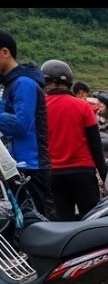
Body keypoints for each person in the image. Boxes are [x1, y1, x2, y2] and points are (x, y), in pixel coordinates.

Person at [40, 59, 108, 221]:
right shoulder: (83, 107)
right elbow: (95, 144)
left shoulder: (40, 107)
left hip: (53, 174)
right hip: (82, 173)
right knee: (91, 220)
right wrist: (105, 174)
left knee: (63, 222)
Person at [0, 29, 55, 219]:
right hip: (17, 167)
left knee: (38, 222)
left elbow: (21, 125)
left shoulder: (24, 83)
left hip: (31, 167)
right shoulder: (10, 84)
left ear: (5, 52)